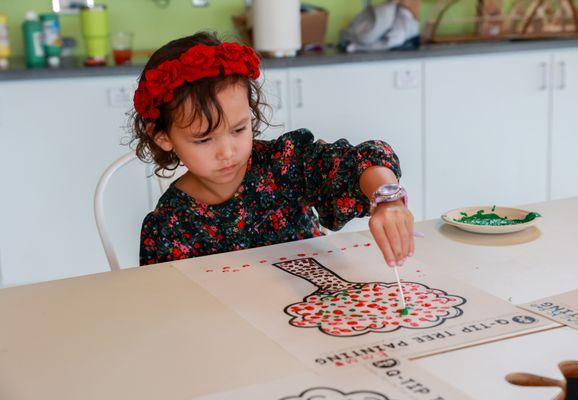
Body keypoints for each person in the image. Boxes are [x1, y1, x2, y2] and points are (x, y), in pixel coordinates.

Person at [130, 31, 414, 267]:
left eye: (239, 129)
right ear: (163, 137)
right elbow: (168, 308)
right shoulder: (168, 225)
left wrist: (387, 198)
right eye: (204, 139)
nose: (227, 152)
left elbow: (358, 161)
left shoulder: (284, 164)